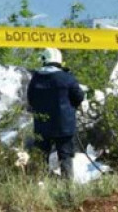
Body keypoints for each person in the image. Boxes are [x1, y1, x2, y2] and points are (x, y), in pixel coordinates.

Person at [27, 48, 85, 179]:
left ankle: (39, 183)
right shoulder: (67, 77)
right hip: (64, 126)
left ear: (44, 61)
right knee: (65, 156)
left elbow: (31, 100)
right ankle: (67, 188)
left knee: (42, 156)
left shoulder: (36, 78)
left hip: (42, 126)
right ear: (59, 61)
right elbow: (79, 96)